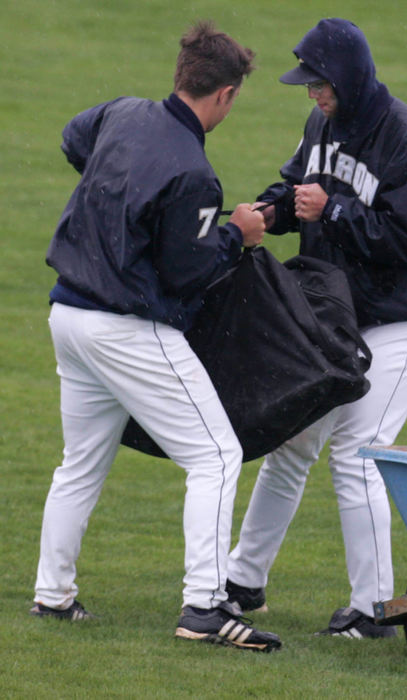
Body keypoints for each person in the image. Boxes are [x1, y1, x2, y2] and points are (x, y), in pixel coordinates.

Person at [31, 20, 282, 652]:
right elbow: (190, 271)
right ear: (223, 94)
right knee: (216, 456)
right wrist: (240, 235)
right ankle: (204, 607)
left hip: (68, 318)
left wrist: (116, 188)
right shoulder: (193, 173)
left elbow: (72, 139)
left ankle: (52, 595)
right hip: (125, 331)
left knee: (80, 464)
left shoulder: (122, 114)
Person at [225, 18, 407, 639]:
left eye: (320, 83)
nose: (312, 94)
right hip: (340, 311)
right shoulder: (323, 124)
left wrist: (330, 210)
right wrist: (274, 209)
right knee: (291, 443)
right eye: (307, 84)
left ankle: (375, 609)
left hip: (404, 317)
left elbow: (405, 243)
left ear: (352, 77)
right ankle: (242, 581)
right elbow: (299, 185)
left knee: (359, 453)